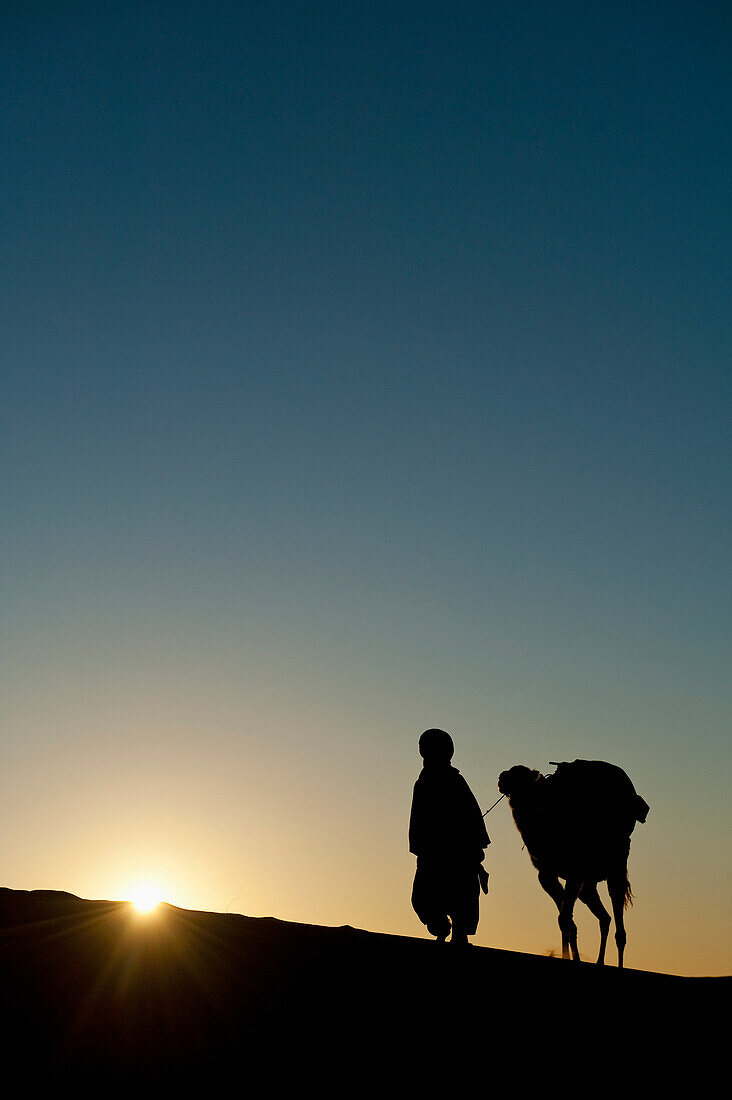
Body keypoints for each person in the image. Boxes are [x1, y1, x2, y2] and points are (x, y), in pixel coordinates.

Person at [409, 728, 490, 945]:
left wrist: (474, 848)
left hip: (458, 855)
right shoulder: (424, 782)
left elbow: (471, 816)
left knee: (460, 899)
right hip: (431, 853)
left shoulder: (454, 782)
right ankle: (443, 929)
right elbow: (418, 818)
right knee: (423, 899)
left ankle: (458, 937)